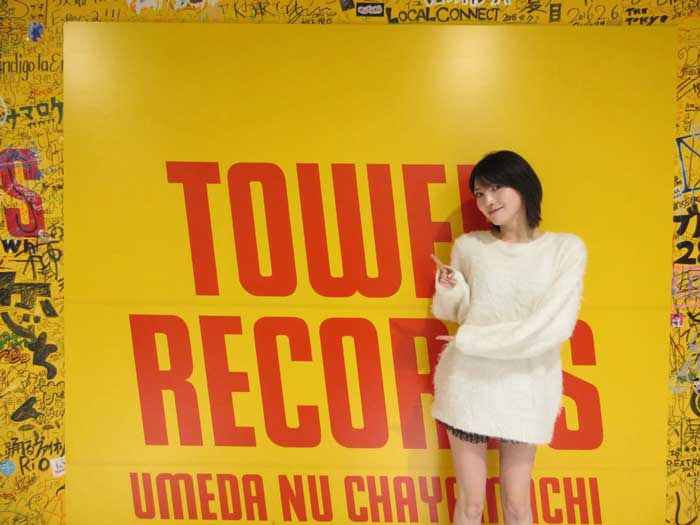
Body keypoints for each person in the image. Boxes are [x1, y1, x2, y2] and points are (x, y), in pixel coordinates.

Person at [430, 150, 587, 525]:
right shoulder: (470, 246)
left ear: (523, 185)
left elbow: (552, 327)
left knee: (517, 505)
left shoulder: (565, 249)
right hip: (469, 384)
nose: (488, 201)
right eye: (479, 194)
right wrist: (451, 289)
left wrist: (471, 342)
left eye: (496, 188)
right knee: (470, 505)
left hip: (526, 386)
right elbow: (460, 314)